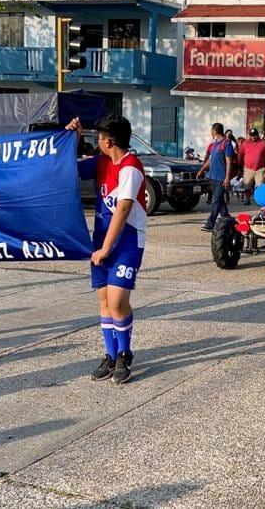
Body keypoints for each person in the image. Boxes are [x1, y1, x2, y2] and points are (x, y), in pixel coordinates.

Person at [73, 115, 146, 384]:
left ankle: (125, 353)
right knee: (104, 301)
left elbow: (123, 209)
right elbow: (70, 168)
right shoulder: (101, 162)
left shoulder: (131, 167)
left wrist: (105, 248)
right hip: (102, 240)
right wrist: (74, 137)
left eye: (99, 138)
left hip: (126, 241)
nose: (98, 142)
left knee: (117, 301)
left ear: (109, 141)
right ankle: (111, 355)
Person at [197, 123, 235, 232]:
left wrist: (227, 177)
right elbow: (210, 160)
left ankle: (210, 223)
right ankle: (226, 217)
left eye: (211, 131)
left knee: (216, 200)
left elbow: (229, 161)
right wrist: (202, 169)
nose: (211, 133)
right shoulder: (214, 145)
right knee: (219, 200)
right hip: (212, 177)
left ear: (214, 131)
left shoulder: (226, 144)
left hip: (221, 178)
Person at [239, 128, 265, 204]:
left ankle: (259, 200)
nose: (253, 137)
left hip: (260, 169)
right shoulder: (245, 143)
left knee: (259, 186)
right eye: (251, 136)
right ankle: (247, 199)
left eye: (255, 135)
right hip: (248, 168)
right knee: (247, 186)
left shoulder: (263, 143)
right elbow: (240, 155)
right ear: (249, 135)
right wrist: (239, 165)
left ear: (257, 135)